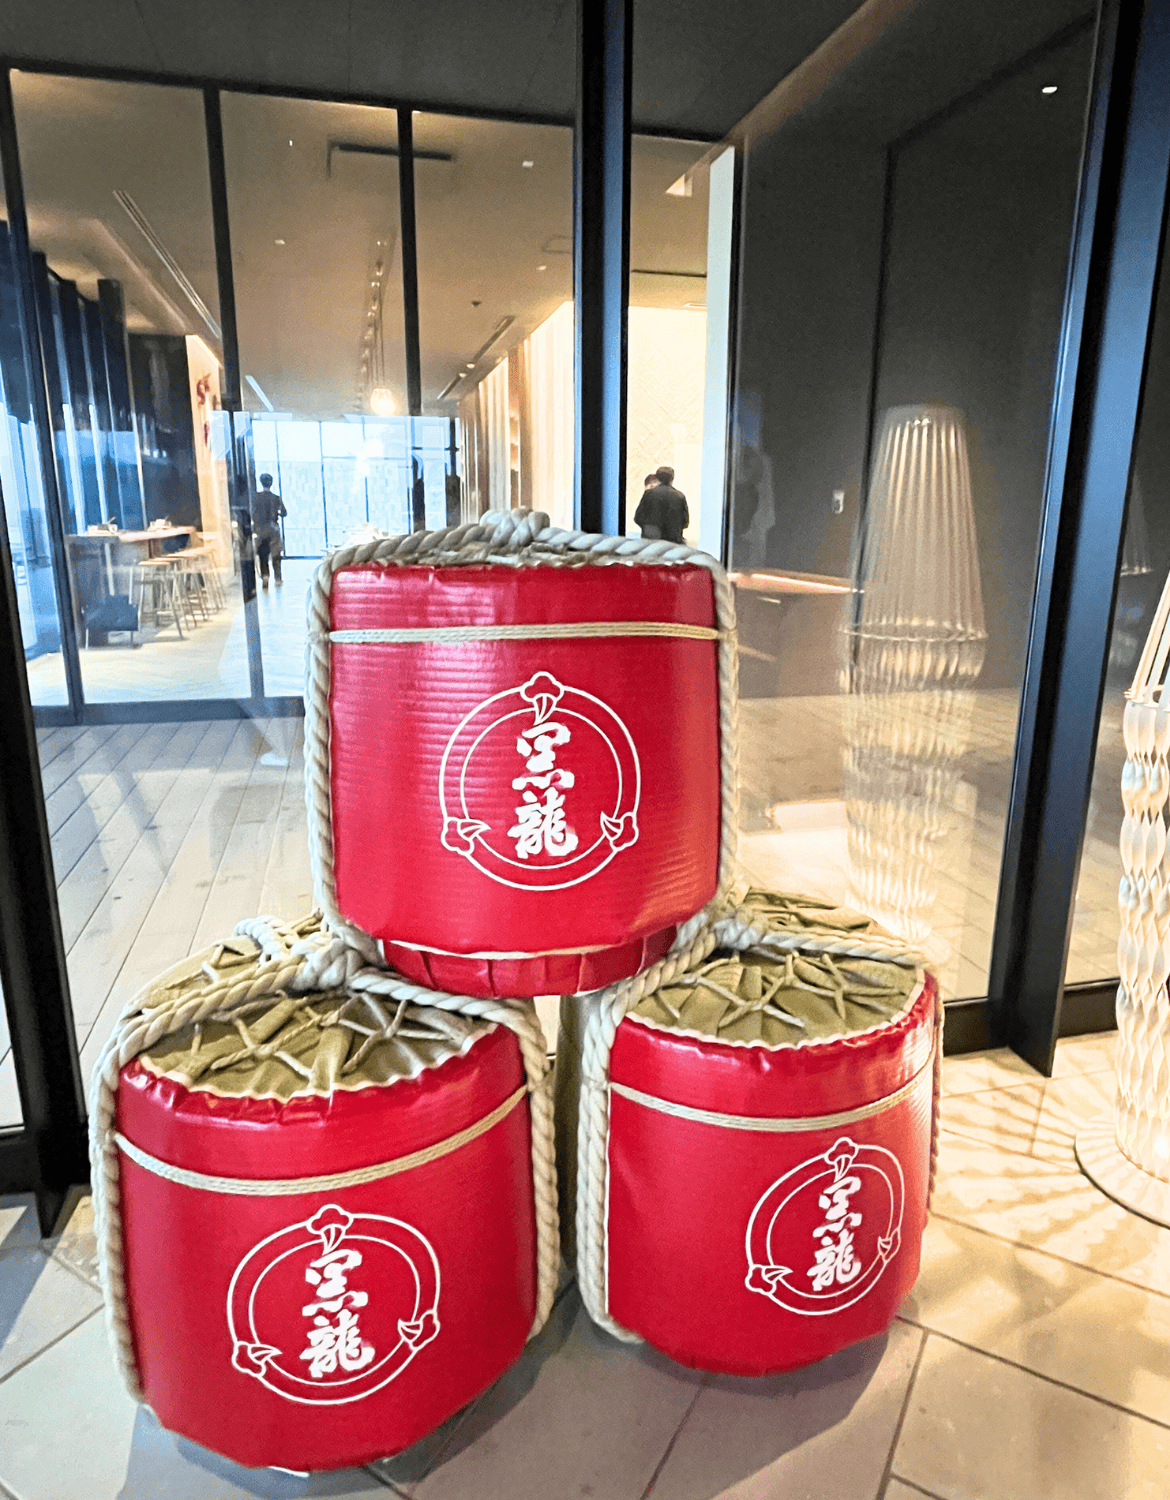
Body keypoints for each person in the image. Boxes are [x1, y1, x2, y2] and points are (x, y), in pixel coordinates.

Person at [252, 473, 287, 588]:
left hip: (261, 529)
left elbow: (252, 513)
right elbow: (284, 513)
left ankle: (265, 577)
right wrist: (276, 513)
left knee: (263, 554)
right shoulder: (276, 498)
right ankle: (278, 578)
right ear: (271, 483)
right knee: (276, 555)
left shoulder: (256, 497)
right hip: (273, 529)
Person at [639, 465, 689, 544]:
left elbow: (638, 517)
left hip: (651, 543)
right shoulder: (680, 496)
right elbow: (685, 522)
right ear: (672, 479)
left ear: (657, 478)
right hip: (673, 543)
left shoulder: (649, 494)